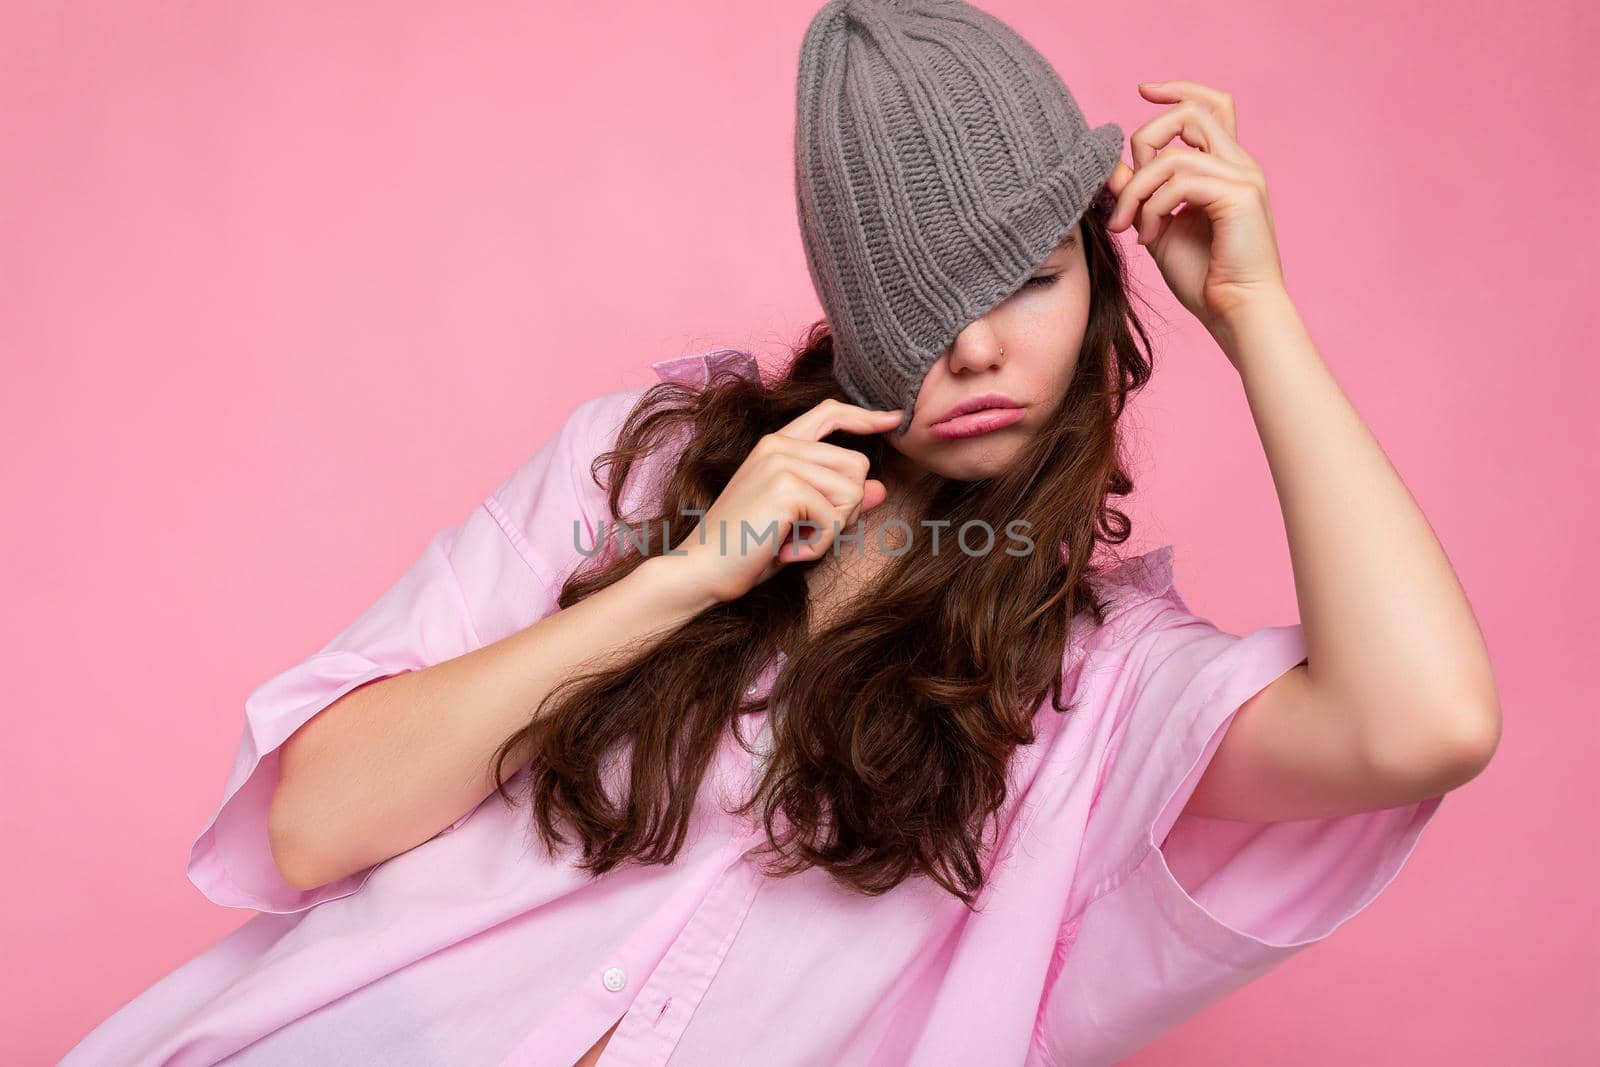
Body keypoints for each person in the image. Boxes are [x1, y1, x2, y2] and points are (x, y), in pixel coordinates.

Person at [61, 2, 1499, 1065]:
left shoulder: (1102, 690)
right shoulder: (646, 473)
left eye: (1033, 275)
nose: (985, 345)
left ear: (1099, 276)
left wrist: (1258, 320)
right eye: (925, 294)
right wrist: (684, 580)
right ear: (851, 307)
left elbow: (1424, 723)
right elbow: (313, 826)